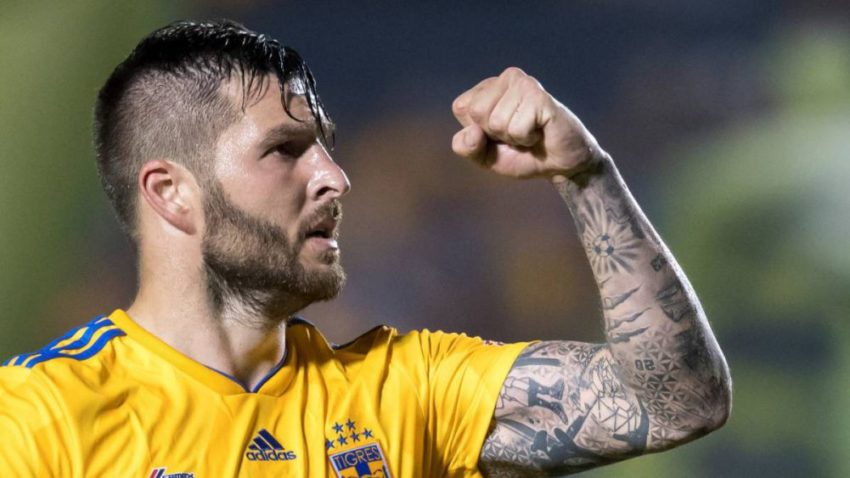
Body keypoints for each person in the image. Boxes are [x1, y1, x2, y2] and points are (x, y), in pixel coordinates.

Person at [0, 20, 730, 477]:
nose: (335, 177)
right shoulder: (34, 419)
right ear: (171, 193)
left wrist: (587, 175)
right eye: (285, 150)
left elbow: (673, 403)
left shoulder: (408, 390)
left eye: (325, 147)